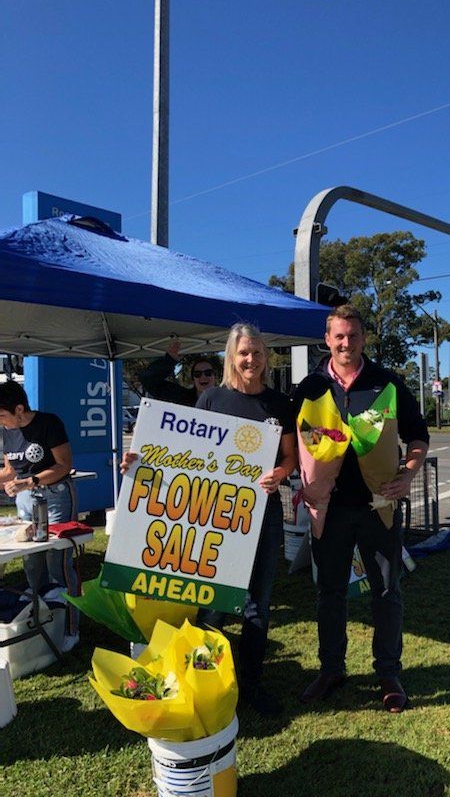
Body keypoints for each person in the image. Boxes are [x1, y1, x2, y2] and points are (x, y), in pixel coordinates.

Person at [122, 323, 296, 716]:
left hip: (261, 515)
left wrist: (281, 474)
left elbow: (290, 458)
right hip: (213, 515)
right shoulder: (213, 399)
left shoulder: (279, 404)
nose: (251, 359)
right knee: (212, 602)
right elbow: (180, 452)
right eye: (243, 353)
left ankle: (251, 684)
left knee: (257, 603)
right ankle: (202, 680)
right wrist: (137, 462)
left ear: (266, 357)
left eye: (257, 352)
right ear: (231, 357)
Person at [294, 304, 429, 713]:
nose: (346, 343)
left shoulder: (386, 383)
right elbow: (287, 437)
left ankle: (388, 672)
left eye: (353, 335)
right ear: (327, 340)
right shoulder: (309, 387)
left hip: (380, 507)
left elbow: (418, 436)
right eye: (339, 336)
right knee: (329, 592)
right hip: (329, 510)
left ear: (364, 338)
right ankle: (331, 669)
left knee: (387, 591)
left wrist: (408, 474)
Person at [0, 381, 79, 653]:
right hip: (25, 502)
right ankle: (42, 626)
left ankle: (70, 628)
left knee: (58, 563)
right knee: (32, 566)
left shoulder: (49, 423)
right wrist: (16, 482)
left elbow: (63, 465)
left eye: (2, 415)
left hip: (55, 497)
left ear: (19, 408)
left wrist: (29, 481)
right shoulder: (7, 433)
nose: (1, 422)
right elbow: (10, 471)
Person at [139, 338, 218, 405]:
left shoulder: (226, 400)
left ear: (215, 376)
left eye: (208, 373)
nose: (203, 377)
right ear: (193, 379)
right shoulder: (182, 397)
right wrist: (169, 360)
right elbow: (147, 380)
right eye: (198, 374)